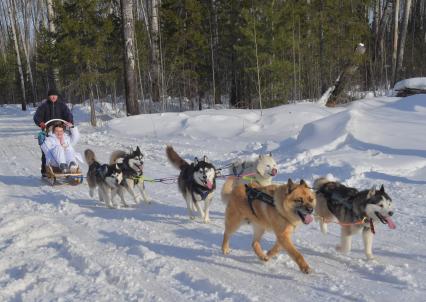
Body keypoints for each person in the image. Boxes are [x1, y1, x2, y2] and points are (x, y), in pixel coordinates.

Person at [33, 89, 73, 176]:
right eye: (51, 95)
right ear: (48, 96)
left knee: (64, 148)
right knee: (47, 151)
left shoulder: (62, 105)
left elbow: (68, 114)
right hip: (48, 130)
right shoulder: (44, 106)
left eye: (55, 95)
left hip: (60, 130)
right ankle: (45, 170)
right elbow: (37, 116)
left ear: (57, 96)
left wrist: (69, 121)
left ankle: (66, 165)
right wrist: (40, 123)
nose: (53, 97)